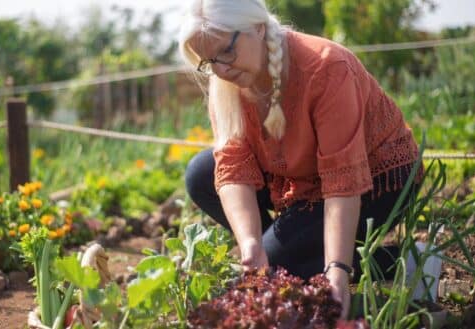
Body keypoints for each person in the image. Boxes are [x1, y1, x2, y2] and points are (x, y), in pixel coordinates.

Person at [178, 0, 422, 319]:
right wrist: (251, 243)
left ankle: (404, 259)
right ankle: (286, 254)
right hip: (305, 180)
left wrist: (337, 270)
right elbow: (233, 165)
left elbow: (342, 182)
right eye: (209, 61)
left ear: (258, 27)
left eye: (226, 52)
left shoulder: (326, 67)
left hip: (379, 179)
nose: (221, 69)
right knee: (201, 174)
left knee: (283, 265)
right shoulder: (227, 82)